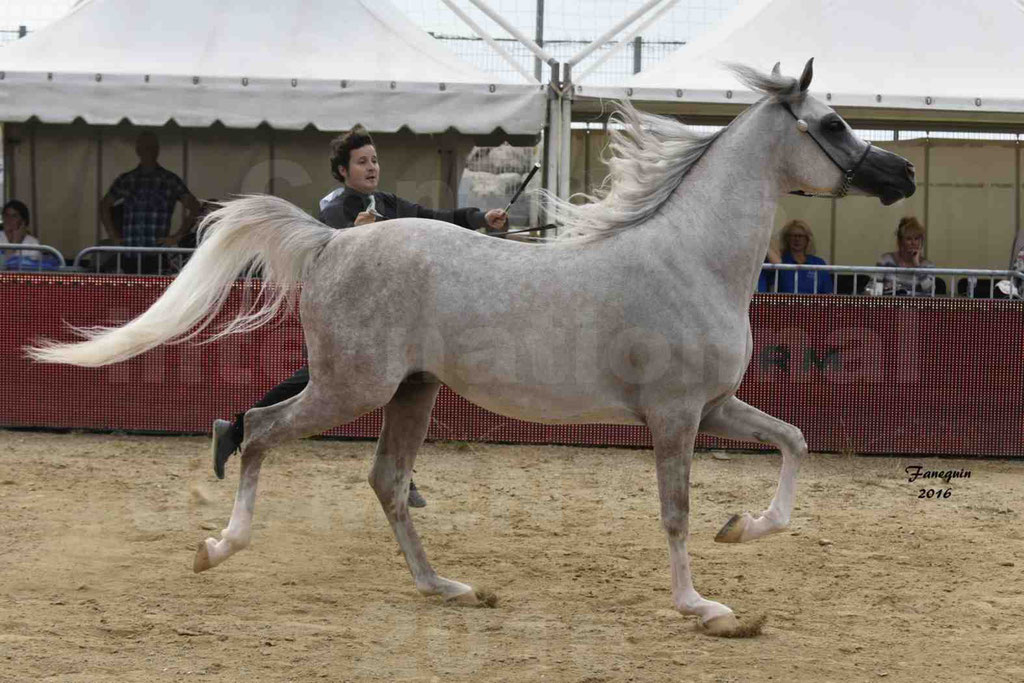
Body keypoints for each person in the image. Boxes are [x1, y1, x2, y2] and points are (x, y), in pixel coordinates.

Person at [210, 126, 509, 507]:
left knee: (397, 380)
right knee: (319, 384)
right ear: (342, 171)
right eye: (362, 162)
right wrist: (353, 232)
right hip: (340, 315)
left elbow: (434, 217)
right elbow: (333, 247)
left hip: (377, 321)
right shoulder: (335, 205)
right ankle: (237, 431)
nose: (372, 168)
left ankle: (397, 473)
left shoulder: (384, 201)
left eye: (374, 160)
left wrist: (482, 217)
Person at [100, 130, 202, 273]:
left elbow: (195, 207)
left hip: (157, 254)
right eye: (144, 147)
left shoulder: (169, 180)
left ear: (157, 150)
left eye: (151, 147)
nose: (148, 151)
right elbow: (104, 205)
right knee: (129, 293)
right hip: (129, 252)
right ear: (138, 150)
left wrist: (177, 236)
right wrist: (113, 236)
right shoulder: (127, 179)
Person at [757, 220, 832, 294]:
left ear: (807, 239)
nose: (797, 239)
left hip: (813, 305)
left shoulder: (818, 263)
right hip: (785, 305)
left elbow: (827, 292)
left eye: (800, 236)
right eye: (793, 236)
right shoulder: (779, 261)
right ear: (787, 238)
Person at [867, 216, 936, 296]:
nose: (913, 243)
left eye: (916, 238)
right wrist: (884, 288)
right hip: (890, 305)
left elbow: (930, 291)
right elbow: (870, 290)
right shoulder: (886, 260)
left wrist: (917, 266)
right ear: (900, 241)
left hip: (915, 307)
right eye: (909, 239)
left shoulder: (928, 265)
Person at [1, 199, 40, 267]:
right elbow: (1, 265)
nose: (9, 219)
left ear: (23, 221)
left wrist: (16, 240)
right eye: (6, 215)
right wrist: (14, 243)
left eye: (14, 216)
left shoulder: (33, 243)